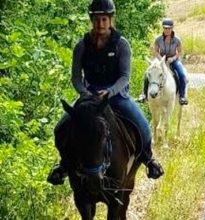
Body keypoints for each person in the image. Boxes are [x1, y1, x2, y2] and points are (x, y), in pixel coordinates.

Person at [47, 0, 164, 185]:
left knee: (142, 125)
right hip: (89, 96)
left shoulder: (121, 45)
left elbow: (125, 77)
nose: (100, 24)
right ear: (91, 20)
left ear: (110, 20)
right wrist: (85, 93)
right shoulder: (81, 46)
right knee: (61, 127)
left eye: (104, 19)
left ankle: (149, 160)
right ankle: (63, 165)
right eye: (96, 19)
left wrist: (109, 92)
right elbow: (76, 77)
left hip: (116, 96)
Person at [138, 18, 188, 105]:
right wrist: (161, 60)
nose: (167, 30)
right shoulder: (158, 39)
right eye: (165, 28)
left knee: (182, 73)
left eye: (169, 28)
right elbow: (156, 51)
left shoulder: (177, 40)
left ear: (172, 28)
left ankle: (182, 96)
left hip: (173, 59)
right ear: (163, 28)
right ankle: (144, 94)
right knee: (147, 72)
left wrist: (172, 58)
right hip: (160, 59)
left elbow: (179, 52)